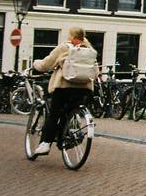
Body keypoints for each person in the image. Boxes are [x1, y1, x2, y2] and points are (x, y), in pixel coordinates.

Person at [31, 26, 98, 157]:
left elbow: (46, 64)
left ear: (72, 36)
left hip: (64, 88)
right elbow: (95, 72)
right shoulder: (90, 50)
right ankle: (63, 139)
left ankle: (45, 143)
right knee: (67, 113)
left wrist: (35, 64)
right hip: (85, 90)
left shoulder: (64, 47)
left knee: (54, 114)